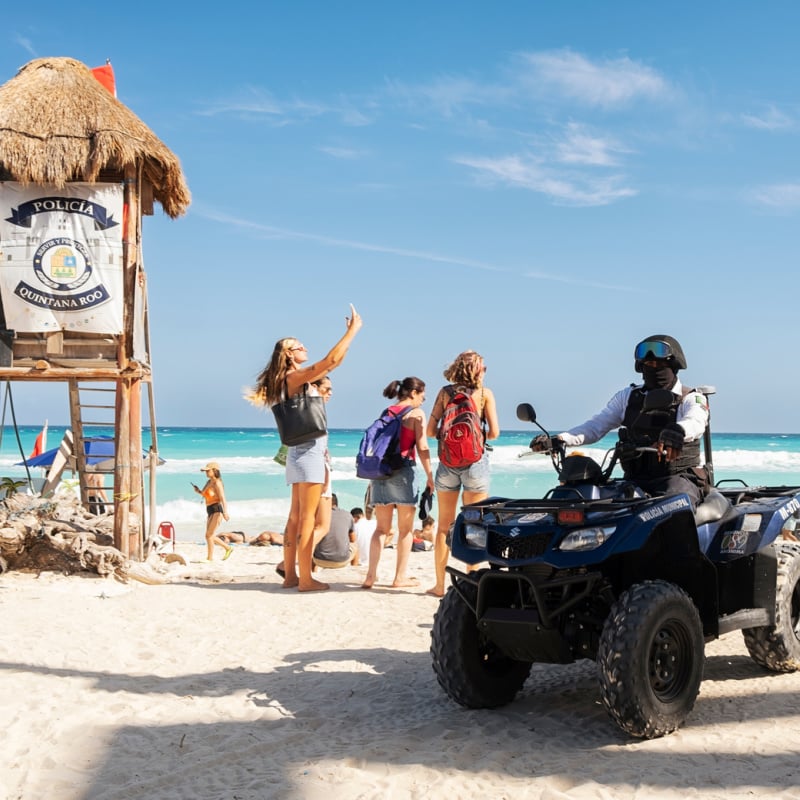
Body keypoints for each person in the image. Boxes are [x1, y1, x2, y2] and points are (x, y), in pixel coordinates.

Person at [249, 304, 362, 592]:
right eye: (299, 346)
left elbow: (332, 363)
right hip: (310, 451)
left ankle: (290, 576)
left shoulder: (284, 381)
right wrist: (352, 331)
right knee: (307, 519)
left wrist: (347, 340)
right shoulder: (293, 378)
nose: (305, 348)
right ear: (288, 354)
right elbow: (331, 361)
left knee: (295, 517)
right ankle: (306, 579)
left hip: (297, 452)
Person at [536, 334, 709, 509]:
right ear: (641, 367)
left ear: (674, 366)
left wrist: (678, 431)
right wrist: (561, 439)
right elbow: (597, 425)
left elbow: (696, 421)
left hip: (677, 479)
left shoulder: (691, 398)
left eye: (660, 365)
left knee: (674, 508)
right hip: (634, 480)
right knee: (591, 506)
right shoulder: (628, 397)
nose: (654, 369)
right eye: (649, 365)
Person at [425, 350, 500, 598]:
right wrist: (475, 436)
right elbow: (495, 434)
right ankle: (473, 581)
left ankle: (438, 585)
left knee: (444, 525)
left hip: (447, 463)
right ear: (479, 370)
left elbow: (430, 431)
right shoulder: (485, 395)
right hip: (476, 464)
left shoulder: (445, 393)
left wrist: (453, 438)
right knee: (475, 524)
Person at [362, 377, 434, 589]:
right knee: (405, 531)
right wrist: (430, 475)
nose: (423, 399)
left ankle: (370, 576)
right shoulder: (416, 413)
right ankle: (399, 578)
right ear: (413, 393)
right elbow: (421, 447)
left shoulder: (387, 412)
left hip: (381, 473)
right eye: (422, 394)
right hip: (403, 472)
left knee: (381, 529)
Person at [194, 461, 232, 561]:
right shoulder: (209, 482)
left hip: (217, 510)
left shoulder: (217, 483)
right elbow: (205, 494)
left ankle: (210, 558)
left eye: (208, 471)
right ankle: (228, 548)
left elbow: (223, 498)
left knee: (209, 535)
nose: (206, 473)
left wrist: (225, 512)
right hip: (209, 509)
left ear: (214, 471)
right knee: (209, 535)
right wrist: (198, 491)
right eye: (205, 471)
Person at [312, 494, 357, 570]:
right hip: (341, 561)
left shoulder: (317, 515)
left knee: (312, 546)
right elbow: (353, 539)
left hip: (319, 560)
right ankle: (354, 569)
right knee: (355, 547)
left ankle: (313, 571)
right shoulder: (348, 515)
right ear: (336, 503)